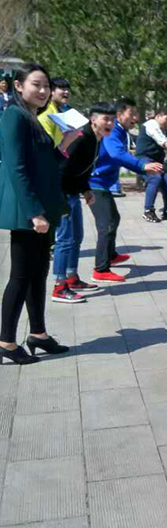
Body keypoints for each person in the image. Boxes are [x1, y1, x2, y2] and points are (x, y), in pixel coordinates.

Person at [0, 64, 69, 362]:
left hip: (41, 207)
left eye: (46, 86)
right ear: (18, 85)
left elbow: (45, 163)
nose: (43, 91)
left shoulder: (33, 117)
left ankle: (38, 334)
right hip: (27, 211)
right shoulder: (14, 115)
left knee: (38, 273)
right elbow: (16, 167)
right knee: (20, 276)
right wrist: (34, 214)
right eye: (36, 85)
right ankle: (6, 342)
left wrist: (65, 144)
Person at [88, 98, 163, 282]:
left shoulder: (119, 130)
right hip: (94, 183)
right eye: (132, 114)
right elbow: (117, 154)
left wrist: (141, 168)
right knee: (106, 224)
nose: (135, 118)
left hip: (102, 183)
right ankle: (100, 269)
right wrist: (142, 166)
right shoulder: (113, 130)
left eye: (136, 114)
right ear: (119, 114)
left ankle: (111, 255)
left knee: (114, 218)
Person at [52, 102, 117, 302]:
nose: (110, 123)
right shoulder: (81, 138)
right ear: (93, 120)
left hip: (73, 192)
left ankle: (71, 277)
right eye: (106, 119)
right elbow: (61, 167)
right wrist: (60, 197)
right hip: (62, 193)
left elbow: (82, 169)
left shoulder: (96, 139)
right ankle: (59, 286)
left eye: (112, 120)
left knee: (77, 237)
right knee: (64, 240)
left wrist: (85, 189)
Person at [137, 109, 167, 222]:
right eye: (166, 119)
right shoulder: (151, 124)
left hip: (155, 161)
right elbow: (162, 141)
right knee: (155, 178)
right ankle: (148, 211)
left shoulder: (161, 128)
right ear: (158, 116)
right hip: (144, 159)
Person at [38, 77, 71, 147]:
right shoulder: (47, 114)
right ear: (51, 91)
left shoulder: (59, 112)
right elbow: (45, 145)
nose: (67, 92)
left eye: (68, 89)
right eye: (62, 88)